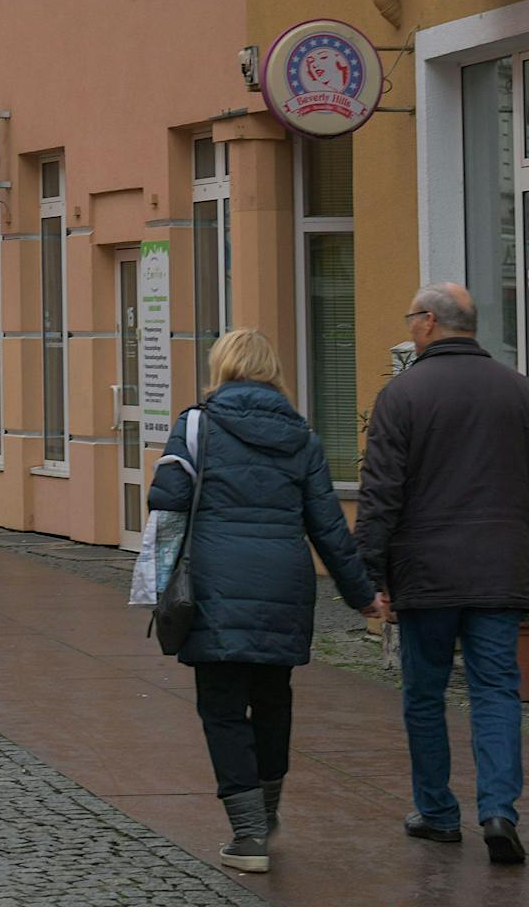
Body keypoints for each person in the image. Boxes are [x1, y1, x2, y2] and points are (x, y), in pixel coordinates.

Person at [149, 327, 379, 875]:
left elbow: (167, 503)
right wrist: (362, 595)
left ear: (223, 368)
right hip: (283, 587)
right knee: (274, 699)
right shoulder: (302, 437)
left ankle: (248, 833)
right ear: (273, 371)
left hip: (214, 587)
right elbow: (328, 526)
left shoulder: (197, 424)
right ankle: (266, 811)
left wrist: (157, 583)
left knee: (223, 707)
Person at [356, 282, 529, 865]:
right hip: (500, 572)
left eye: (411, 318)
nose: (409, 327)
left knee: (425, 694)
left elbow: (381, 493)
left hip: (426, 572)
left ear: (429, 322)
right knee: (497, 690)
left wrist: (368, 574)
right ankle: (500, 811)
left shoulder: (402, 396)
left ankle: (437, 812)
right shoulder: (518, 391)